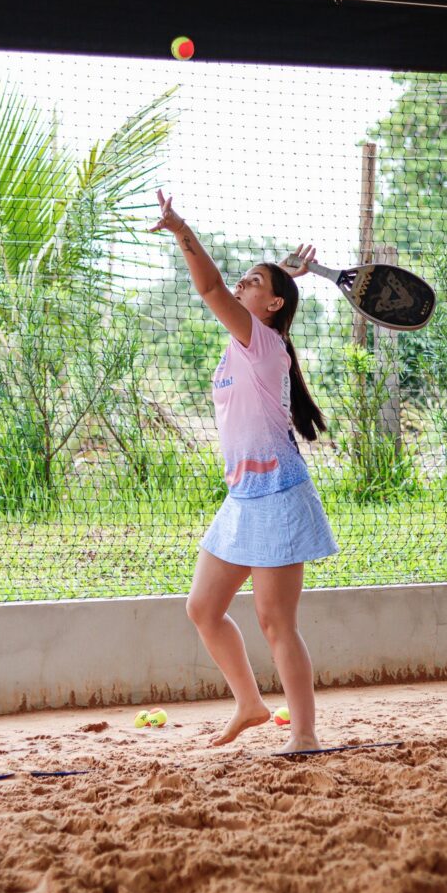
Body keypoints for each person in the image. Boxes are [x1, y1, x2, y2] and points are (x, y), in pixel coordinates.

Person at [150, 190, 338, 753]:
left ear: (274, 306)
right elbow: (244, 292)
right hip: (242, 497)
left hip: (279, 492)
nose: (240, 284)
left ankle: (303, 734)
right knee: (203, 609)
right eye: (245, 279)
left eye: (254, 283)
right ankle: (251, 704)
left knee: (275, 622)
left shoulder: (264, 344)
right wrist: (281, 270)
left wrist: (181, 228)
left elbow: (208, 287)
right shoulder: (244, 344)